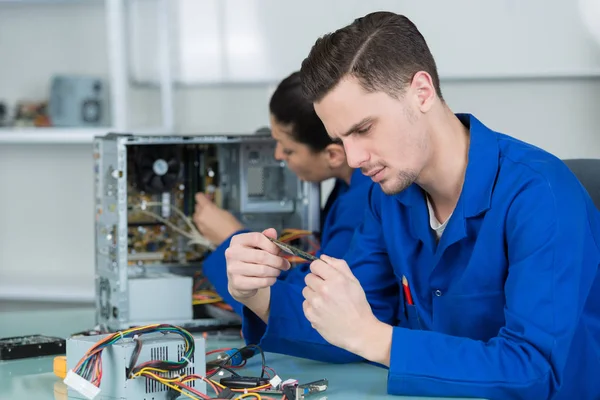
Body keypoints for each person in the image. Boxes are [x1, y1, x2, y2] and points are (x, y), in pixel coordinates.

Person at [223, 11, 600, 400]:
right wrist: (257, 293)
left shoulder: (541, 196)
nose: (352, 158)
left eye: (364, 129)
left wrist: (374, 338)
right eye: (340, 137)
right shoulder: (386, 197)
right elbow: (350, 323)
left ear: (421, 91)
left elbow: (532, 370)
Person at [192, 71, 372, 316]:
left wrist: (230, 239)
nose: (277, 156)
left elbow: (318, 302)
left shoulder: (364, 204)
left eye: (288, 150)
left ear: (333, 155)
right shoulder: (350, 184)